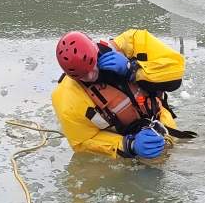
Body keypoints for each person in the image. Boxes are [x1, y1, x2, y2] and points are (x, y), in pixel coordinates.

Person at [52, 28, 193, 160]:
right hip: (126, 142)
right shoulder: (67, 99)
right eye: (83, 76)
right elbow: (83, 142)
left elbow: (175, 74)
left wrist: (134, 70)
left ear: (96, 51)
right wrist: (128, 145)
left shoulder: (132, 42)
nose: (90, 76)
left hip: (162, 122)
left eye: (92, 66)